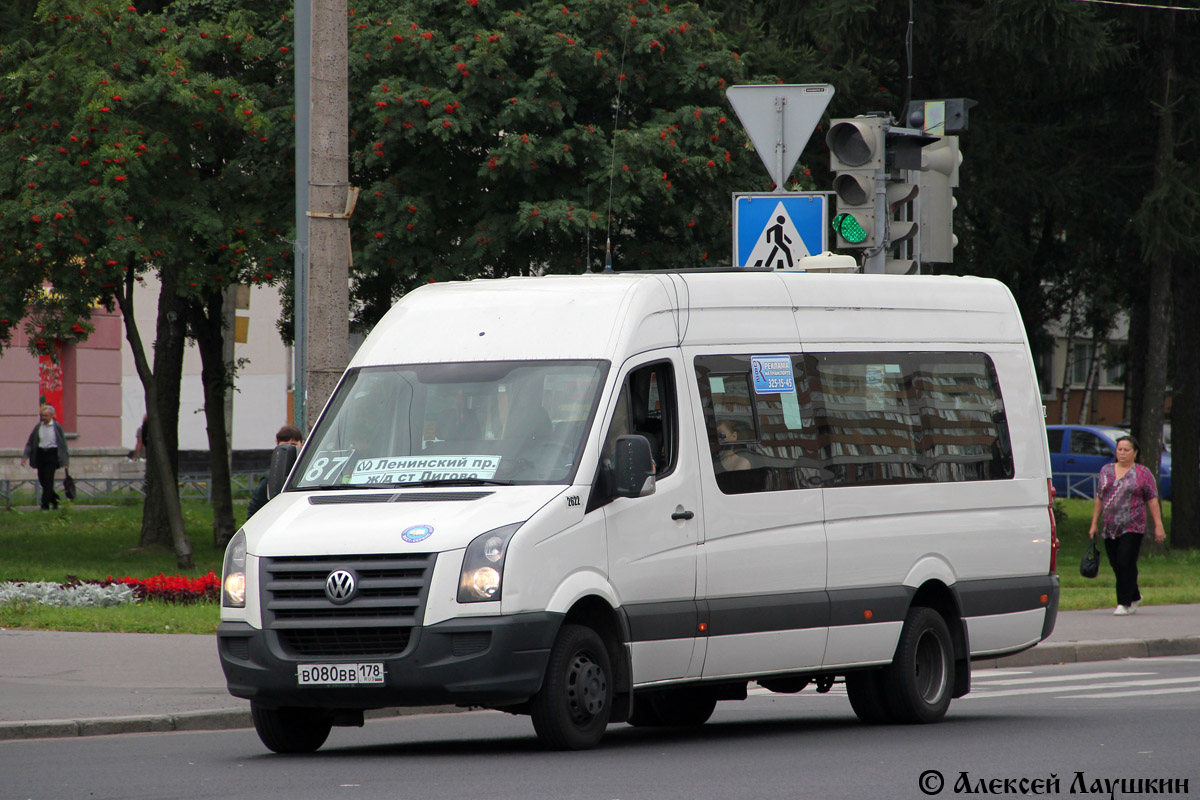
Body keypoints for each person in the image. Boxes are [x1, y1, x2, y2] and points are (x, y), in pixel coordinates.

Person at [1087, 434, 1166, 616]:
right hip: (1110, 525)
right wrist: (1094, 524)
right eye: (1119, 449)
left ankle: (1123, 602)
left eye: (1126, 450)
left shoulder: (1143, 473)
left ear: (1135, 453)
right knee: (1117, 563)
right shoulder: (1106, 470)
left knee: (1125, 560)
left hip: (1133, 525)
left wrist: (1158, 525)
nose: (1122, 453)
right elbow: (1099, 498)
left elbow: (1152, 500)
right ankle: (1135, 595)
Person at [247, 425, 304, 520]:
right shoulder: (271, 477)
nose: (290, 448)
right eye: (285, 444)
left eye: (294, 444)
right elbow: (256, 506)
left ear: (302, 444)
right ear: (277, 444)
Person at [21, 405, 70, 510]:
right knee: (42, 480)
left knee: (48, 479)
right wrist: (25, 456)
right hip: (40, 454)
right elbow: (30, 442)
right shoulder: (38, 427)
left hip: (52, 455)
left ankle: (45, 504)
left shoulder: (57, 427)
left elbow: (63, 444)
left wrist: (66, 461)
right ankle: (55, 498)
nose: (43, 417)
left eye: (46, 415)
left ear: (52, 415)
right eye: (42, 415)